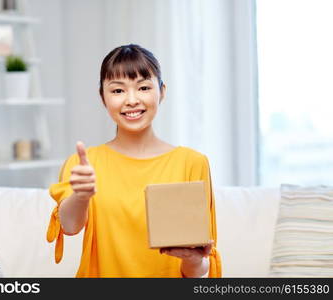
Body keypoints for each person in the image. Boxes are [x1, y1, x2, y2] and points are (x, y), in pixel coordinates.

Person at [46, 44, 222, 278]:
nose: (131, 100)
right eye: (118, 91)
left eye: (143, 87)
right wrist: (81, 195)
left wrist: (193, 259)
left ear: (162, 92)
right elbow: (70, 226)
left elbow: (199, 269)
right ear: (103, 97)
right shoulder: (85, 164)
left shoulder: (192, 163)